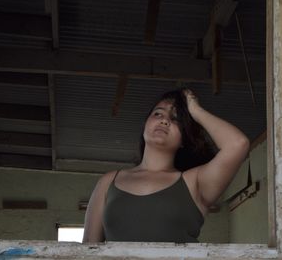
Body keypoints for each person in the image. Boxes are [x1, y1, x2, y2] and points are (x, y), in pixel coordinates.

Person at [83, 88, 250, 243]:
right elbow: (88, 249)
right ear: (145, 126)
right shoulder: (109, 181)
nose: (164, 120)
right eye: (158, 114)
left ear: (184, 139)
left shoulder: (194, 183)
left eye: (176, 118)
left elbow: (238, 144)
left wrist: (194, 109)